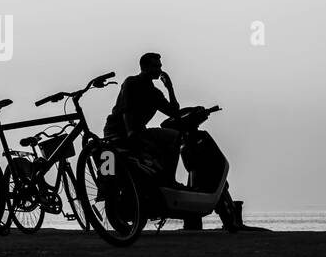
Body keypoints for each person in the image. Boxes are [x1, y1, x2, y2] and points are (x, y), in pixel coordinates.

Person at [104, 53, 243, 231]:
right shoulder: (131, 83)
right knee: (174, 137)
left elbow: (174, 113)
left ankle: (162, 184)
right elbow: (126, 110)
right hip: (124, 131)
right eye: (155, 66)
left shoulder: (155, 93)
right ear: (144, 67)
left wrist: (170, 88)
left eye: (160, 66)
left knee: (164, 141)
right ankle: (169, 180)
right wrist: (131, 133)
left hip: (135, 132)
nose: (159, 70)